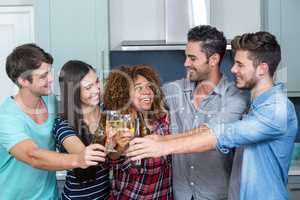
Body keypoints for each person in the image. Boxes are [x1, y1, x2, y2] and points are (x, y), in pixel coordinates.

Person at [127, 31, 298, 199]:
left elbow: (222, 134)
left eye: (240, 64)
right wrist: (161, 139)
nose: (233, 69)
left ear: (262, 69)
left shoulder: (276, 109)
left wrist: (164, 146)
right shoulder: (256, 106)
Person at [145, 25, 250, 200]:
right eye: (186, 57)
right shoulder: (173, 90)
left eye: (192, 58)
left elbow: (211, 135)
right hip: (181, 194)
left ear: (214, 59)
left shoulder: (235, 99)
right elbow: (141, 104)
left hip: (217, 195)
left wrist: (162, 143)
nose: (186, 63)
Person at [0, 44, 105, 200]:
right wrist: (78, 159)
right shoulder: (6, 118)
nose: (50, 79)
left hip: (50, 196)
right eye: (43, 76)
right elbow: (32, 155)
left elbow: (74, 115)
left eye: (50, 72)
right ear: (23, 80)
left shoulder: (51, 101)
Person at [103, 65, 173, 199]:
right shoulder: (118, 122)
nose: (147, 92)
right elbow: (111, 159)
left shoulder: (163, 122)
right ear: (125, 94)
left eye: (149, 87)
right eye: (139, 88)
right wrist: (119, 145)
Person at [52, 60, 110, 199]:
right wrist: (114, 142)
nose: (97, 89)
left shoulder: (107, 114)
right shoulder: (62, 124)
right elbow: (89, 162)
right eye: (88, 87)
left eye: (97, 82)